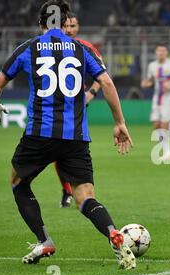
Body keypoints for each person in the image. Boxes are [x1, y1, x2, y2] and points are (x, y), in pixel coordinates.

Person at [0, 0, 136, 270]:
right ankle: (114, 233)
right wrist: (119, 122)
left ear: (41, 23)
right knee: (85, 198)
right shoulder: (81, 49)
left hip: (39, 135)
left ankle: (43, 239)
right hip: (76, 137)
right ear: (66, 20)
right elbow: (106, 82)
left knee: (18, 183)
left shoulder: (29, 48)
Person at [53, 12, 103, 208]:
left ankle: (79, 190)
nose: (70, 30)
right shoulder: (51, 48)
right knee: (58, 152)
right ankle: (67, 190)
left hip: (76, 107)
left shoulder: (85, 47)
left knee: (70, 148)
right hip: (54, 105)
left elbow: (103, 76)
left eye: (74, 26)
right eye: (67, 26)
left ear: (78, 27)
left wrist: (91, 92)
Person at [141, 43, 170, 162]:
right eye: (159, 51)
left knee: (164, 125)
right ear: (156, 52)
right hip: (157, 97)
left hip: (169, 97)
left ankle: (168, 152)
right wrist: (147, 84)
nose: (161, 53)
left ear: (166, 52)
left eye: (163, 51)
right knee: (157, 125)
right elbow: (151, 80)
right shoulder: (152, 66)